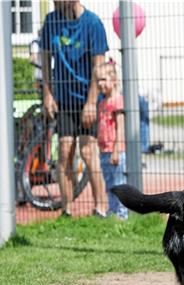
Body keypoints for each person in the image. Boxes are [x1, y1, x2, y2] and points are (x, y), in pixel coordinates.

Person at [40, 0, 108, 217]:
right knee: (64, 153)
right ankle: (66, 210)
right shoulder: (51, 21)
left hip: (87, 97)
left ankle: (100, 208)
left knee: (88, 153)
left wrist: (91, 103)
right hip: (63, 100)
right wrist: (48, 95)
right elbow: (45, 61)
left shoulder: (93, 23)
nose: (54, 2)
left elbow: (99, 67)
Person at [95, 61, 128, 220]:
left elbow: (120, 128)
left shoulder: (117, 101)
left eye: (103, 80)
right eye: (98, 81)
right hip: (104, 151)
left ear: (113, 80)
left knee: (119, 183)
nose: (100, 84)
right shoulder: (102, 102)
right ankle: (113, 211)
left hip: (115, 151)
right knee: (109, 185)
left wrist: (116, 150)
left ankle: (122, 214)